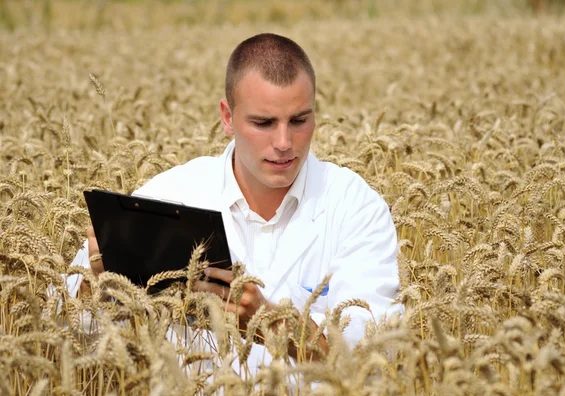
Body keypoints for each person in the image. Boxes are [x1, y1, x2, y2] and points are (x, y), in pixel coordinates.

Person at [66, 33, 402, 371]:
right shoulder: (168, 194)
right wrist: (95, 282)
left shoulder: (356, 206)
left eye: (299, 120)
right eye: (264, 123)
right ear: (227, 117)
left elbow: (374, 353)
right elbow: (66, 331)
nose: (284, 142)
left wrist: (275, 326)